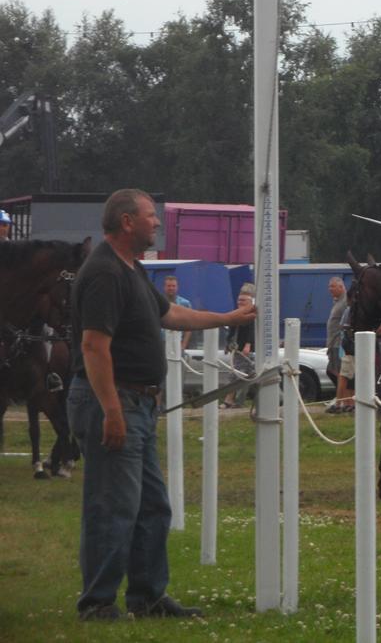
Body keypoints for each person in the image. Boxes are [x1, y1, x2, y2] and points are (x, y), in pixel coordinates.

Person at [67, 188, 256, 621]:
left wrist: (229, 319)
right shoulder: (104, 274)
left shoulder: (131, 270)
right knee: (112, 506)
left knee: (152, 506)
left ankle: (148, 597)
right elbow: (94, 346)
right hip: (114, 403)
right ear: (127, 222)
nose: (158, 223)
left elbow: (170, 315)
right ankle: (97, 604)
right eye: (151, 216)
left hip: (137, 405)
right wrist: (112, 410)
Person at [222, 285, 256, 408]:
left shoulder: (252, 314)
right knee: (240, 375)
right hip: (236, 349)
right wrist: (227, 344)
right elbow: (231, 330)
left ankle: (229, 400)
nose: (240, 302)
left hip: (247, 350)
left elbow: (252, 330)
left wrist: (248, 344)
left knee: (238, 374)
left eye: (243, 300)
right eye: (239, 300)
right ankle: (234, 401)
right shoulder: (236, 314)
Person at [324, 276, 352, 412]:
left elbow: (344, 324)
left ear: (341, 287)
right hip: (333, 343)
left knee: (339, 373)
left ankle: (343, 401)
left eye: (333, 286)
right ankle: (344, 401)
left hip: (338, 343)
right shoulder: (338, 301)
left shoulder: (345, 301)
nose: (330, 289)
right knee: (336, 372)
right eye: (329, 286)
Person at [161, 276, 193, 352]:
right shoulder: (157, 302)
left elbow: (189, 326)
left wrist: (183, 345)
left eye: (173, 286)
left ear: (177, 287)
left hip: (178, 343)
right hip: (160, 343)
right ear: (164, 287)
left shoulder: (185, 304)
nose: (171, 288)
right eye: (169, 286)